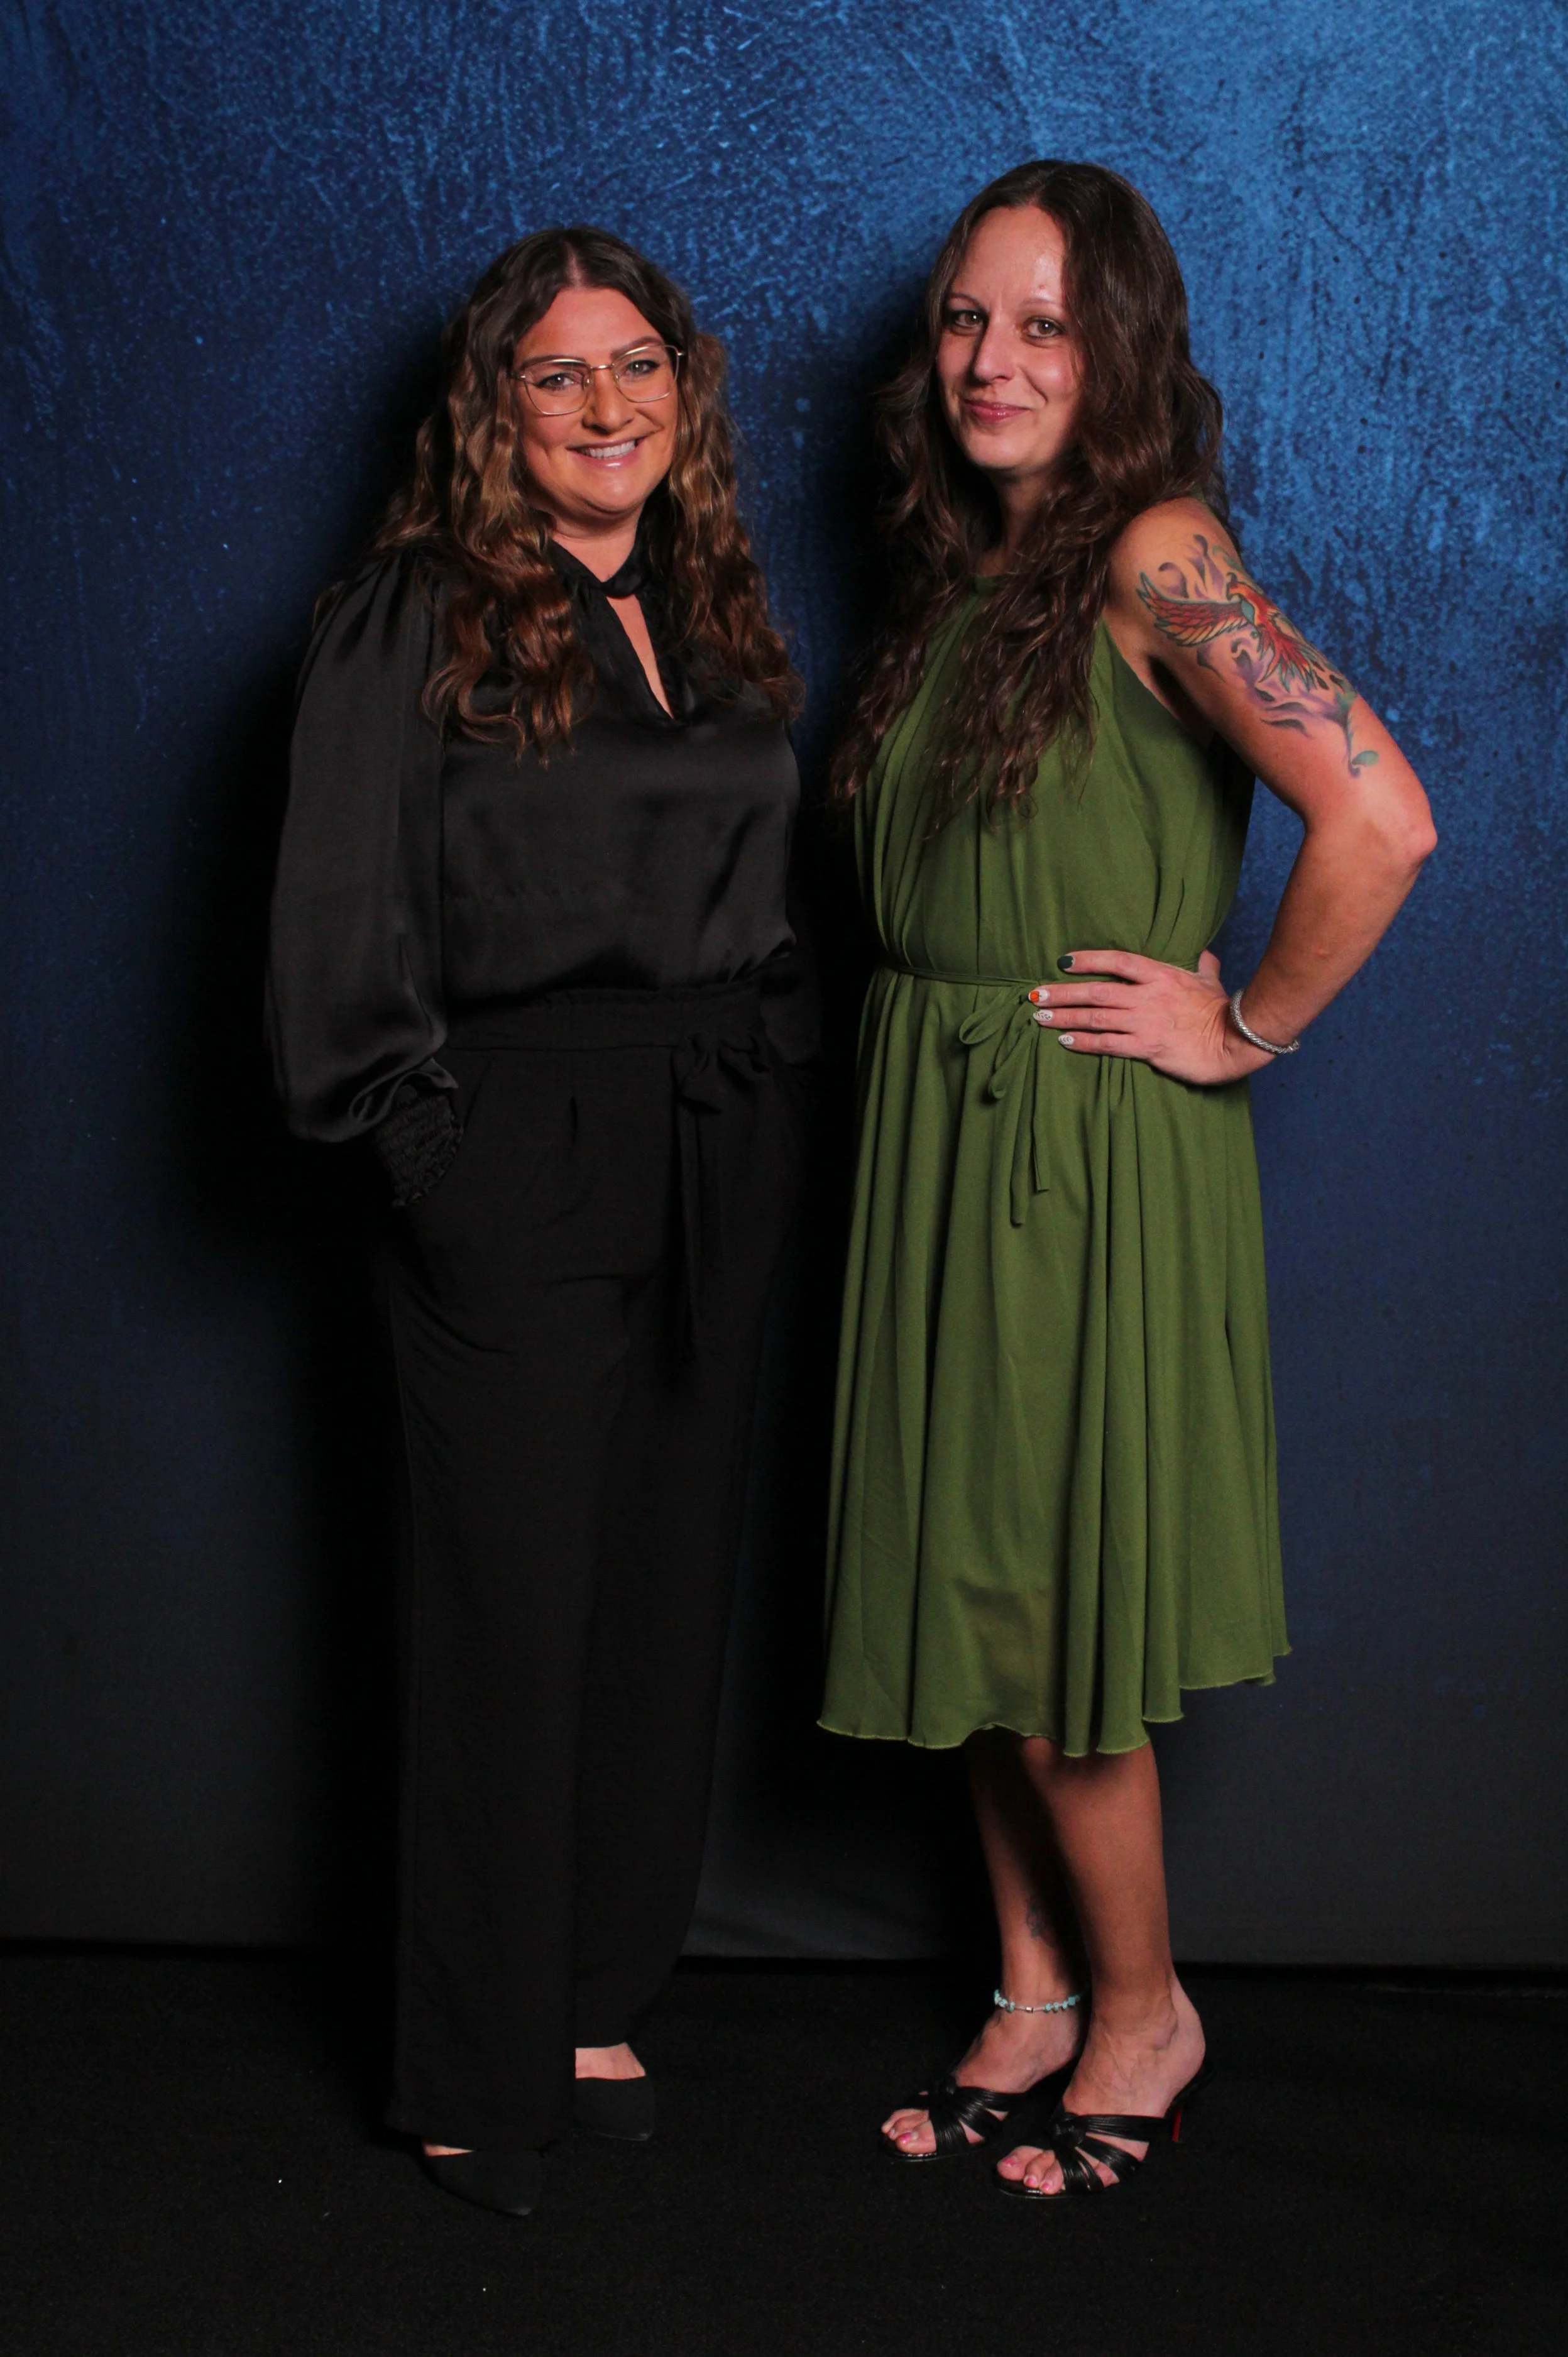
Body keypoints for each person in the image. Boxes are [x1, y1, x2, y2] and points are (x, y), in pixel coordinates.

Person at [822, 161, 1435, 2203]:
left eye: (1046, 324)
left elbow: (1379, 813)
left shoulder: (1154, 553)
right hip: (940, 1116)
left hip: (1075, 1151)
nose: (992, 360)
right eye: (963, 320)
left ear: (1123, 354)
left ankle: (1146, 2002)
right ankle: (1030, 1986)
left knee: (1048, 1608)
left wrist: (1243, 1022)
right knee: (976, 1597)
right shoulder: (969, 566)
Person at [267, 226, 814, 2216]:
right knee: (504, 1608)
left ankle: (594, 1990)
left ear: (686, 389)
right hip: (513, 1134)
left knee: (663, 1584)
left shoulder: (716, 610)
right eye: (560, 375)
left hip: (718, 1131)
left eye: (638, 365)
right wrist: (428, 1151)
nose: (608, 407)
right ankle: (472, 2059)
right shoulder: (407, 612)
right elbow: (337, 921)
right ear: (495, 406)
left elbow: (766, 899)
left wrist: (772, 1092)